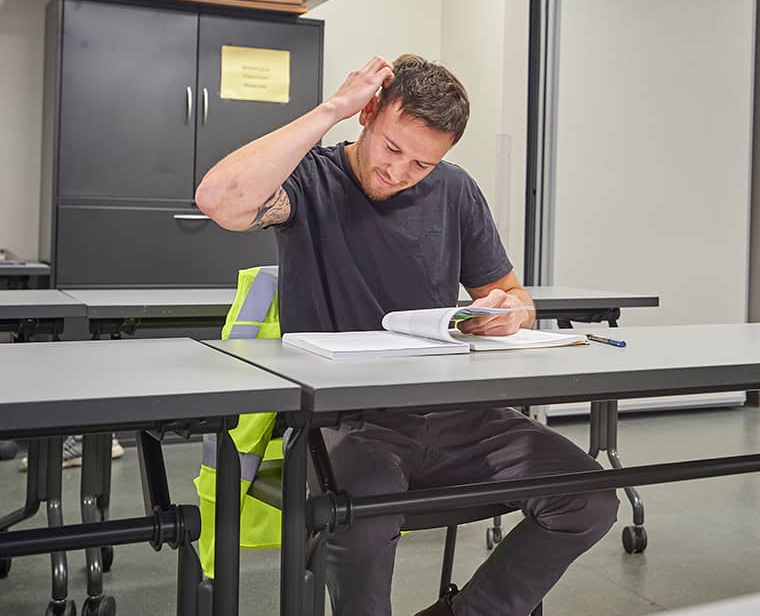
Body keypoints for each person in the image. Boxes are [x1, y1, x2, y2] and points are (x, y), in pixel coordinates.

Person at [195, 54, 618, 616]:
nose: (399, 172)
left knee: (586, 497)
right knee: (361, 518)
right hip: (349, 421)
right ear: (368, 114)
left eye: (422, 163)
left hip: (453, 410)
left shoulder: (455, 191)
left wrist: (508, 312)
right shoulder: (311, 179)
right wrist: (330, 109)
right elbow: (218, 200)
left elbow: (514, 294)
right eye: (392, 149)